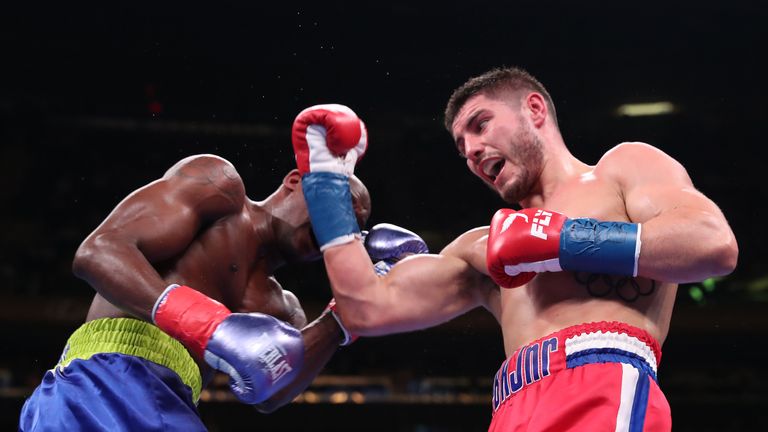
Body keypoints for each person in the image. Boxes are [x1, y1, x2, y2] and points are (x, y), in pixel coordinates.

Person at [290, 69, 739, 431]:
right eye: (461, 147)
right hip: (512, 409)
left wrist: (564, 241)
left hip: (602, 388)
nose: (471, 150)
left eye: (480, 124)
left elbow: (711, 244)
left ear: (535, 109)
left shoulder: (622, 169)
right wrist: (325, 184)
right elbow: (365, 308)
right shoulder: (480, 249)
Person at [18, 152, 372, 431]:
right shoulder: (218, 188)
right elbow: (99, 250)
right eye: (337, 206)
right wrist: (204, 323)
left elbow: (270, 394)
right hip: (102, 379)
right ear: (296, 181)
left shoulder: (282, 311)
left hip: (173, 401)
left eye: (349, 230)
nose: (337, 227)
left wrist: (344, 316)